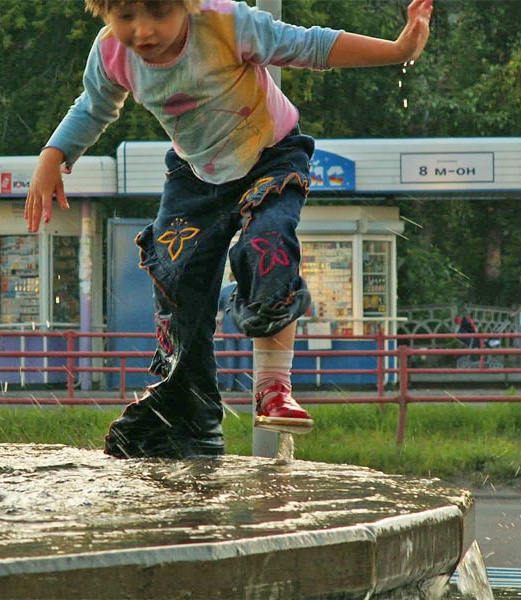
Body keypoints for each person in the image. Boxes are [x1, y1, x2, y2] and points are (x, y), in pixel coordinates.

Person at [24, 0, 433, 458]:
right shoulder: (112, 55)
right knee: (176, 280)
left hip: (271, 157)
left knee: (267, 243)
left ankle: (273, 386)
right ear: (103, 14)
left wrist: (397, 49)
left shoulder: (224, 24)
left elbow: (310, 45)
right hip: (195, 174)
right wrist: (52, 156)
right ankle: (189, 410)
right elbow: (94, 107)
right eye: (125, 18)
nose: (142, 32)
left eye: (158, 14)